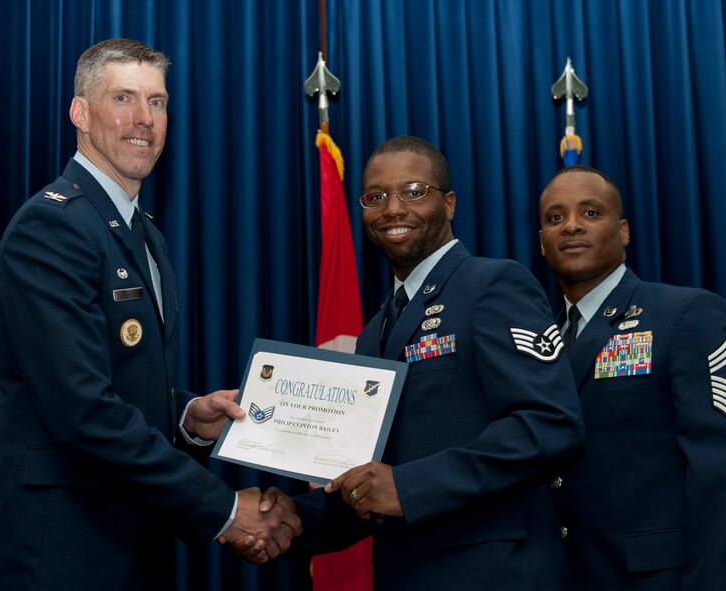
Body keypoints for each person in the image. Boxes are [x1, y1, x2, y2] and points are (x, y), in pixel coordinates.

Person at [0, 38, 300, 590]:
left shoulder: (143, 234)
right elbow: (81, 410)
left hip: (129, 540)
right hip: (59, 549)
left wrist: (186, 414)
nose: (144, 119)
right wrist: (223, 509)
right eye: (123, 98)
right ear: (80, 113)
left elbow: (115, 378)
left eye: (158, 102)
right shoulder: (51, 228)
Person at [243, 136, 586, 588]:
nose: (392, 209)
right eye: (376, 197)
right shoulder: (373, 333)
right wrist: (289, 521)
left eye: (414, 191)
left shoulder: (492, 285)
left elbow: (550, 425)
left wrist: (408, 487)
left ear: (449, 203)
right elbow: (371, 482)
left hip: (494, 574)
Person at [538, 165, 726, 590]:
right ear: (542, 244)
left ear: (623, 231)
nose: (570, 225)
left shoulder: (687, 315)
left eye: (590, 213)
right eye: (555, 217)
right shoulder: (539, 346)